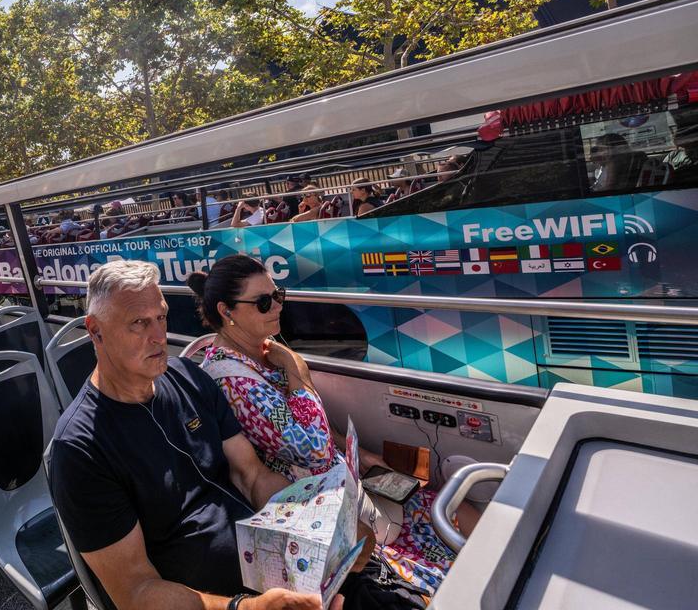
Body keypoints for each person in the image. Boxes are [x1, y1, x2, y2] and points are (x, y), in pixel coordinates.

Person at [49, 261, 346, 610]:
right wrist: (246, 607)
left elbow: (251, 475)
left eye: (161, 317)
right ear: (95, 331)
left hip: (270, 562)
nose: (159, 337)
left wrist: (321, 531)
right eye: (138, 323)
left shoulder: (187, 376)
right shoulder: (81, 451)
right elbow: (136, 592)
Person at [188, 255, 475, 595]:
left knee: (453, 504)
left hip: (341, 485)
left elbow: (310, 431)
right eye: (264, 302)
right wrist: (296, 369)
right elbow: (313, 445)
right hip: (320, 507)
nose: (277, 306)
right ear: (227, 311)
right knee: (446, 540)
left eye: (278, 294)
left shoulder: (259, 355)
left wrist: (361, 454)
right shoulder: (235, 383)